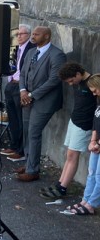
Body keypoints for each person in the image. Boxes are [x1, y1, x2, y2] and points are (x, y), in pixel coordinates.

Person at [36, 63, 95, 201]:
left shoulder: (91, 84)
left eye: (71, 80)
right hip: (74, 121)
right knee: (69, 155)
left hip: (84, 125)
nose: (70, 84)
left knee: (73, 156)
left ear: (78, 74)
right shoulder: (78, 82)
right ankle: (59, 184)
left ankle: (63, 188)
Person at [17, 26, 67, 182]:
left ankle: (33, 170)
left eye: (36, 34)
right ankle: (29, 162)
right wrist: (23, 90)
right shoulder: (31, 52)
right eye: (32, 34)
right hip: (27, 98)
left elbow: (54, 79)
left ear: (46, 36)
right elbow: (23, 72)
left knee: (34, 132)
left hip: (45, 101)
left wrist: (32, 95)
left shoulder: (57, 55)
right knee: (26, 130)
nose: (33, 36)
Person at [62, 74, 100, 216]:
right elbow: (96, 123)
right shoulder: (98, 101)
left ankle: (91, 204)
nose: (93, 93)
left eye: (95, 90)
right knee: (91, 174)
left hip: (98, 145)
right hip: (96, 144)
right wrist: (92, 141)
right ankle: (86, 200)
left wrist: (97, 143)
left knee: (99, 176)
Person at [0, 25, 36, 161]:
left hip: (21, 88)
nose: (19, 36)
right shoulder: (15, 48)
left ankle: (20, 150)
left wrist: (24, 88)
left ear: (28, 35)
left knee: (21, 119)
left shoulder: (31, 49)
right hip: (11, 84)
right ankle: (14, 145)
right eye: (17, 34)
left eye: (22, 34)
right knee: (12, 118)